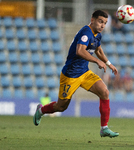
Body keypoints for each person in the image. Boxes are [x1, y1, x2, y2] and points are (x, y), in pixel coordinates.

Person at [33, 10, 119, 138]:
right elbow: (80, 51)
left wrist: (108, 63)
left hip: (85, 73)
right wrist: (96, 61)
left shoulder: (97, 34)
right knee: (61, 107)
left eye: (105, 23)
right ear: (93, 19)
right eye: (100, 21)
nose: (102, 25)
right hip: (71, 75)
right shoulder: (86, 32)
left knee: (105, 92)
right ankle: (41, 110)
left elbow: (98, 50)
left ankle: (104, 128)